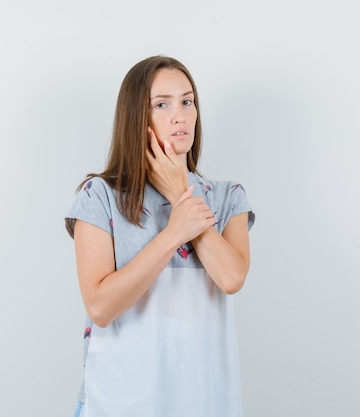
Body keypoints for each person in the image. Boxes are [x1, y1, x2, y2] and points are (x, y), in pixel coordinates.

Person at [65, 55, 255, 417]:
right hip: (119, 401)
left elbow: (232, 278)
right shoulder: (99, 196)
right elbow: (101, 307)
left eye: (187, 101)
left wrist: (179, 195)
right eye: (162, 104)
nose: (179, 115)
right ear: (137, 117)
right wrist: (174, 233)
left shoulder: (228, 197)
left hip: (203, 399)